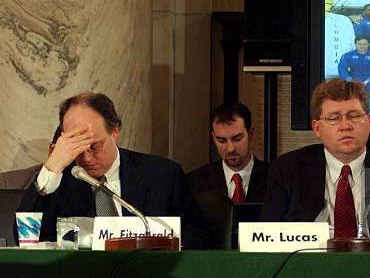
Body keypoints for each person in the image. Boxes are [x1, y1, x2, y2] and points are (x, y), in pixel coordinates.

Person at [16, 93, 207, 249]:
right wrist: (52, 168)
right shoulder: (58, 180)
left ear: (114, 131)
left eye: (95, 146)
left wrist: (160, 243)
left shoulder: (163, 175)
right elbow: (24, 240)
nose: (87, 159)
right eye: (77, 149)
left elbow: (199, 235)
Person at [260, 79, 370, 248]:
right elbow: (265, 236)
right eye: (334, 118)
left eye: (354, 116)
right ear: (317, 129)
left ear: (369, 122)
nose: (345, 126)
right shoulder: (287, 169)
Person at [188, 102, 267, 203]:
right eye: (221, 141)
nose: (230, 149)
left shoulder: (275, 179)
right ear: (213, 137)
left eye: (237, 139)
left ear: (250, 134)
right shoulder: (195, 182)